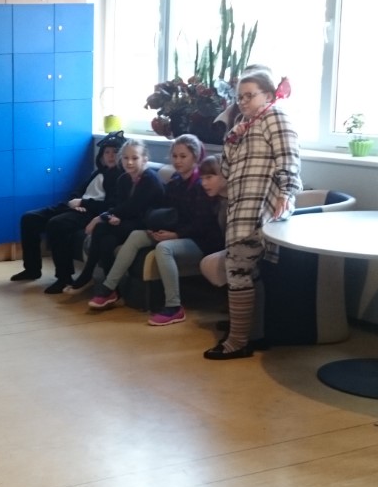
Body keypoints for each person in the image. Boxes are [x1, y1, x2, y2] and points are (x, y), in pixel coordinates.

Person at [204, 69, 301, 358]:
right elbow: (227, 169)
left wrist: (286, 193)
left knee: (238, 268)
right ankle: (252, 335)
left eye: (250, 96)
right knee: (246, 271)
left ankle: (237, 342)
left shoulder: (276, 117)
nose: (243, 102)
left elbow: (289, 158)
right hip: (240, 204)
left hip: (259, 206)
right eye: (240, 97)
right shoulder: (241, 126)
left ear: (268, 95)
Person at [87, 133, 222, 326]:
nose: (177, 161)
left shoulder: (201, 185)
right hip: (176, 232)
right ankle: (109, 289)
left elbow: (202, 224)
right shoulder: (175, 181)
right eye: (174, 156)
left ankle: (174, 307)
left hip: (200, 240)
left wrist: (175, 235)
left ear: (195, 157)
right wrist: (155, 228)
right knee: (136, 235)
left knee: (164, 248)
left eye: (183, 156)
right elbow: (167, 212)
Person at [10, 132, 125, 294]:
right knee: (29, 218)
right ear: (101, 155)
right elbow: (79, 190)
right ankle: (32, 269)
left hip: (91, 212)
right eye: (107, 152)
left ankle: (64, 278)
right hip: (75, 206)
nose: (111, 156)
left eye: (115, 152)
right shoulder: (99, 172)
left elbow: (110, 205)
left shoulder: (120, 177)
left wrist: (83, 203)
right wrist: (74, 201)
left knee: (57, 224)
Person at [76, 138, 163, 289]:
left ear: (144, 159)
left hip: (146, 223)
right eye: (125, 158)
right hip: (129, 221)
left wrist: (101, 217)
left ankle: (87, 274)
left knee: (100, 228)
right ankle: (112, 289)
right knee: (107, 241)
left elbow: (133, 207)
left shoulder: (150, 179)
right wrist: (112, 216)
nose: (129, 162)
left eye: (135, 158)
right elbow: (119, 205)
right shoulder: (123, 179)